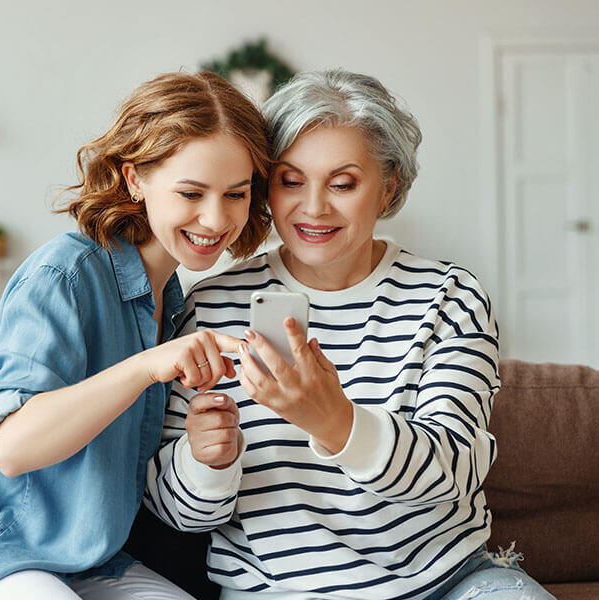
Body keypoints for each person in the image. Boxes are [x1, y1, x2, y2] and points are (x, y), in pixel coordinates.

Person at [145, 69, 555, 600]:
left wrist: (333, 420)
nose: (313, 208)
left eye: (342, 184)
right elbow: (177, 512)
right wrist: (205, 462)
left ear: (388, 188)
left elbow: (454, 470)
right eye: (291, 180)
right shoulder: (213, 304)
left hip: (445, 583)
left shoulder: (450, 296)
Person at [0, 71, 273, 600]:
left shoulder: (176, 303)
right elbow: (13, 447)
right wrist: (148, 365)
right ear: (135, 179)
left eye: (236, 194)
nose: (216, 217)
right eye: (191, 192)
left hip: (90, 563)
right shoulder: (65, 274)